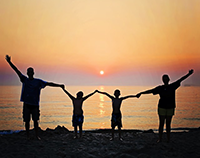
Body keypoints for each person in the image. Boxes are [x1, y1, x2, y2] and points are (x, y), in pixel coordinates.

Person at [5, 55, 64, 140]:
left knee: (36, 121)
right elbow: (16, 70)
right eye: (28, 72)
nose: (30, 73)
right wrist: (10, 62)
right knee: (27, 121)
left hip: (35, 105)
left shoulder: (38, 82)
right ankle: (28, 136)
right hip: (27, 104)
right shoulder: (24, 80)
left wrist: (59, 85)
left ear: (33, 73)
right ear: (27, 73)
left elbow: (49, 83)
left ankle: (36, 136)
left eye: (31, 72)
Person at [137, 69, 194, 142]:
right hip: (162, 107)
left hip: (170, 107)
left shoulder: (172, 86)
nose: (165, 80)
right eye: (164, 79)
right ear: (163, 80)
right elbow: (151, 91)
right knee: (161, 123)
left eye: (166, 78)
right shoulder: (160, 88)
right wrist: (141, 93)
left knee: (168, 124)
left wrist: (189, 74)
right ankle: (160, 139)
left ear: (169, 79)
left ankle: (168, 139)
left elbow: (181, 79)